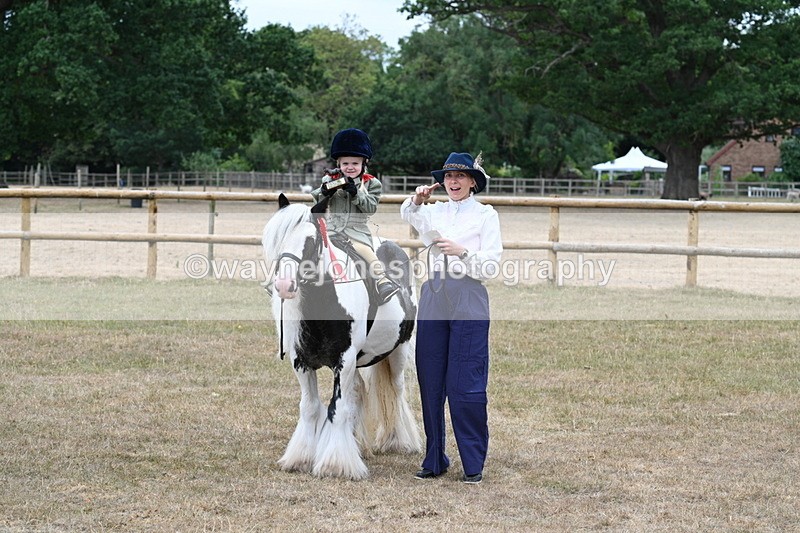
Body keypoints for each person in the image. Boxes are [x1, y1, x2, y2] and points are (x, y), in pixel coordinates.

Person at [400, 151, 503, 484]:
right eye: (448, 177)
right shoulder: (436, 211)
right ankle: (434, 459)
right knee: (430, 378)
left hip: (468, 296)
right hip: (433, 294)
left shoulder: (486, 215)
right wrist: (416, 200)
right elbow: (409, 214)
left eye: (460, 176)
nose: (453, 182)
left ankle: (472, 462)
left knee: (465, 381)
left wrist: (463, 253)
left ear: (473, 181)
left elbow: (492, 265)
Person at [311, 128, 399, 304]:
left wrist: (356, 194)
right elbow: (316, 201)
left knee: (366, 253)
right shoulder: (329, 180)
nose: (350, 168)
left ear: (363, 163)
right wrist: (323, 192)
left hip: (356, 232)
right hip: (330, 230)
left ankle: (382, 281)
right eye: (345, 164)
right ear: (339, 163)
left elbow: (370, 208)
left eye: (355, 163)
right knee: (309, 250)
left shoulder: (372, 183)